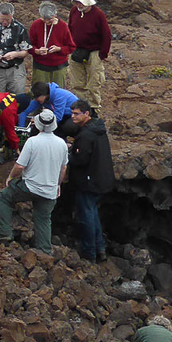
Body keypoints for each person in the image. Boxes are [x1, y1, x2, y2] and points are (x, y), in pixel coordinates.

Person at [0, 108, 68, 254]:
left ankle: (5, 235)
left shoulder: (32, 142)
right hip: (49, 191)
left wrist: (11, 177)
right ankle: (44, 251)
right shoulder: (62, 144)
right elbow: (63, 168)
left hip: (29, 187)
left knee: (4, 197)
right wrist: (57, 185)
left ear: (38, 124)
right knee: (43, 219)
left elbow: (20, 165)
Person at [67, 100, 114, 262]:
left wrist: (69, 155)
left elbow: (80, 160)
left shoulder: (86, 135)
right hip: (101, 179)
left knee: (86, 216)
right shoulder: (97, 129)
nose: (73, 116)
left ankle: (89, 253)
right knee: (92, 213)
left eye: (76, 113)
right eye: (72, 113)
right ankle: (100, 248)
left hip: (89, 182)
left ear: (86, 114)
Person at [68, 0, 111, 112]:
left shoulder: (98, 14)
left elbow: (106, 35)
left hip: (94, 52)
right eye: (76, 2)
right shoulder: (74, 11)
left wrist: (102, 54)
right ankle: (80, 108)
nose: (78, 5)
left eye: (81, 2)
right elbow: (70, 28)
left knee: (93, 83)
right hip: (77, 51)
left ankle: (93, 109)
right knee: (77, 83)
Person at [28, 1, 76, 89]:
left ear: (55, 15)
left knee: (58, 92)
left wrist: (59, 49)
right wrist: (37, 51)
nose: (46, 22)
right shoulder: (36, 25)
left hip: (59, 66)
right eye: (44, 19)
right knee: (39, 91)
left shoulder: (63, 26)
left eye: (49, 19)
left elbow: (71, 47)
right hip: (40, 65)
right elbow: (29, 45)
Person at [16, 81, 81, 137]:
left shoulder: (59, 95)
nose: (35, 100)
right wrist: (22, 130)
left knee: (63, 128)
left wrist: (39, 121)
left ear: (44, 94)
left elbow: (58, 117)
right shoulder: (39, 100)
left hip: (73, 115)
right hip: (60, 116)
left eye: (37, 97)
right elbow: (24, 112)